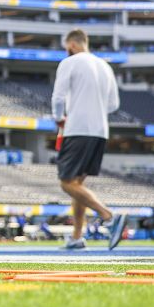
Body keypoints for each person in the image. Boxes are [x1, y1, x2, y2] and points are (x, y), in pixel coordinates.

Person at [52, 28, 127, 251]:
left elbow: (58, 97)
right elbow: (114, 105)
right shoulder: (105, 66)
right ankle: (77, 237)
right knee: (77, 184)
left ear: (72, 45)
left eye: (67, 48)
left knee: (66, 183)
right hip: (100, 131)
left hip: (78, 128)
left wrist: (59, 119)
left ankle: (109, 217)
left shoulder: (70, 62)